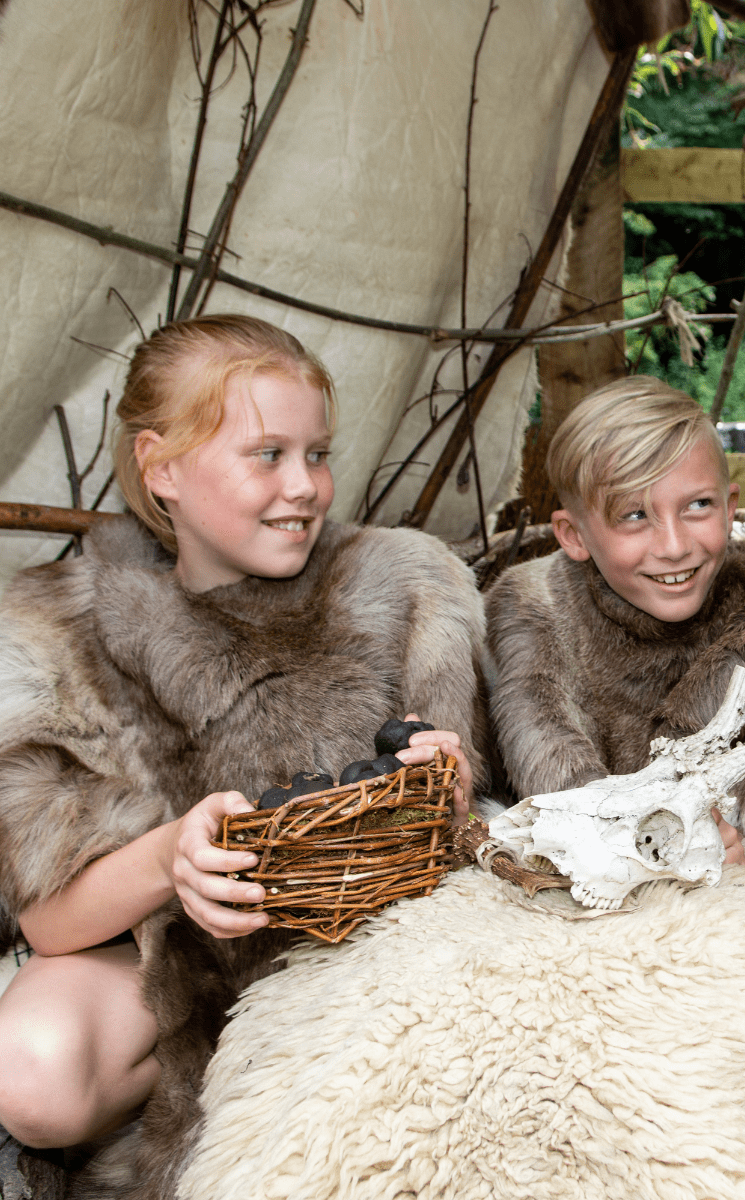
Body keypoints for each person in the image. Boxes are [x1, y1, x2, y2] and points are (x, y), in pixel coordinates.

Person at [0, 314, 486, 1152]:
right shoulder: (58, 634)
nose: (304, 486)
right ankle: (244, 1064)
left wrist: (453, 781)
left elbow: (472, 825)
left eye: (318, 454)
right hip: (175, 963)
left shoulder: (398, 587)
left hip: (377, 940)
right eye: (268, 456)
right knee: (32, 1078)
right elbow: (48, 927)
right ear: (162, 468)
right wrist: (169, 857)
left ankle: (301, 1053)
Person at [485, 375, 745, 871]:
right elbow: (534, 771)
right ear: (573, 536)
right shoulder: (536, 612)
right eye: (634, 515)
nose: (675, 545)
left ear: (730, 507)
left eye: (698, 505)